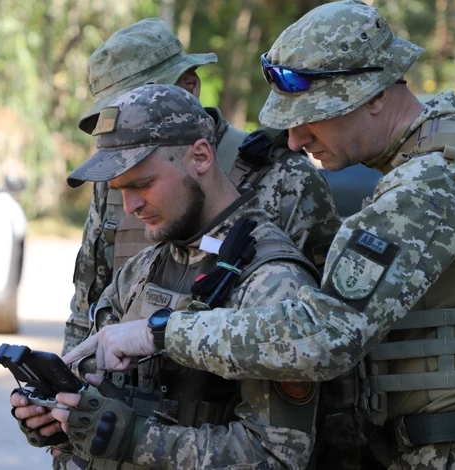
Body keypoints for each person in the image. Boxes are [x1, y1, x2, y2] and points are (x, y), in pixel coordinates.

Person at [62, 1, 455, 469]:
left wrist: (160, 331)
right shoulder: (446, 159)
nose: (294, 140)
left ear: (376, 95)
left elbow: (323, 336)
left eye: (312, 114)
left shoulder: (434, 180)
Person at [14, 84, 322, 469]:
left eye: (143, 184)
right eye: (119, 190)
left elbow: (276, 456)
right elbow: (111, 404)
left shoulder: (272, 281)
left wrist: (134, 437)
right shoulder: (144, 267)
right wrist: (66, 423)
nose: (131, 206)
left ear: (201, 156)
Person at [64, 18, 341, 356]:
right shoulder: (118, 189)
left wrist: (163, 335)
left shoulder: (285, 178)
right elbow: (87, 304)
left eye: (144, 99)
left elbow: (317, 329)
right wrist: (67, 386)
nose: (130, 203)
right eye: (117, 110)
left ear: (190, 86)